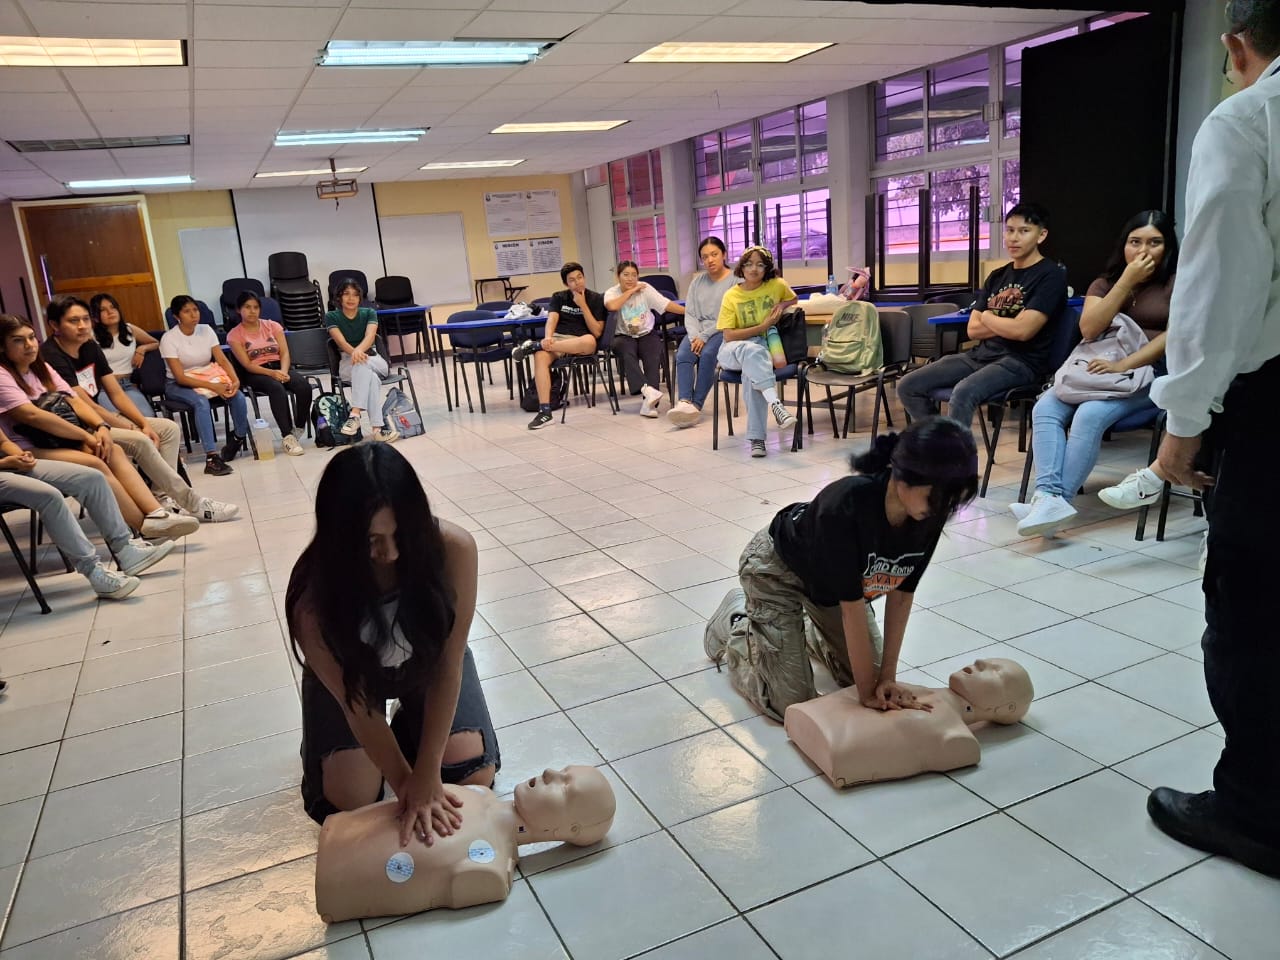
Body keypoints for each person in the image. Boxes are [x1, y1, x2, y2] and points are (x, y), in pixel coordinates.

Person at [1142, 0, 1280, 880]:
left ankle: (1258, 814)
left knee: (1255, 609)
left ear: (1235, 45)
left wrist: (1181, 429)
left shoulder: (1248, 117)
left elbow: (1218, 285)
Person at [286, 443, 500, 833]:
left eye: (402, 533)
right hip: (353, 682)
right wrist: (406, 783)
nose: (391, 553)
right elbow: (357, 704)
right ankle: (346, 746)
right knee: (350, 798)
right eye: (371, 540)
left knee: (471, 776)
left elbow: (449, 665)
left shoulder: (454, 550)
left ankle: (408, 728)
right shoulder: (312, 596)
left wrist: (429, 773)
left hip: (427, 666)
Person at [704, 417, 979, 721]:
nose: (944, 508)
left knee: (871, 679)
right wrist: (865, 695)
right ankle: (738, 623)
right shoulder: (846, 506)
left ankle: (796, 628)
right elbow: (852, 611)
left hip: (829, 588)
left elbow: (901, 597)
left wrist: (887, 676)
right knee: (791, 704)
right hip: (777, 571)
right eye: (938, 496)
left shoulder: (929, 513)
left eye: (953, 501)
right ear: (904, 478)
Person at [1014, 211, 1179, 537]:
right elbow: (1089, 329)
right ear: (1124, 246)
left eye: (1154, 242)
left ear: (1168, 248)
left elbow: (1174, 335)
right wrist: (1126, 281)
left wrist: (1125, 365)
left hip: (1148, 373)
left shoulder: (1177, 283)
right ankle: (1047, 497)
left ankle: (1055, 501)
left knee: (1089, 414)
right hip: (1096, 367)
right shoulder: (1104, 283)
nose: (1143, 250)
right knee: (1045, 407)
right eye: (1135, 242)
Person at [314, 765, 614, 921]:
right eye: (562, 771)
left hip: (335, 882)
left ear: (570, 828)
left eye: (565, 787)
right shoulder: (481, 794)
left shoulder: (490, 871)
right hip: (345, 829)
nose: (550, 773)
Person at [41, 295, 238, 525]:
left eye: (85, 319)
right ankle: (193, 503)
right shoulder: (52, 356)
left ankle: (159, 496)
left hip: (97, 419)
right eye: (74, 321)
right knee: (141, 440)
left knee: (169, 429)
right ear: (55, 325)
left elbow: (115, 393)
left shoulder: (89, 347)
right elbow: (86, 404)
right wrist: (133, 427)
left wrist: (143, 423)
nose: (83, 326)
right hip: (75, 426)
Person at [0, 314, 193, 540]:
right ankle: (145, 528)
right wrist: (87, 436)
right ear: (2, 347)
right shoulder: (3, 375)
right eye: (18, 340)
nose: (29, 345)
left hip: (62, 437)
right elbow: (34, 416)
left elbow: (74, 401)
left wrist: (100, 427)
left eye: (31, 337)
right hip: (29, 446)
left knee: (114, 449)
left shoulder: (40, 366)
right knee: (96, 461)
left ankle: (156, 514)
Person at [897, 203, 1068, 434]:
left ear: (1041, 235)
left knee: (963, 392)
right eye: (1009, 230)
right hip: (979, 356)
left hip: (1022, 362)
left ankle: (956, 464)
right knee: (908, 385)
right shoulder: (998, 276)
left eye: (1024, 231)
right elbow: (973, 330)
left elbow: (1023, 332)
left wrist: (988, 316)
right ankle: (941, 443)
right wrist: (1007, 322)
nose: (1014, 238)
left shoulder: (1051, 275)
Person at [784, 658, 1033, 788]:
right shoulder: (922, 691)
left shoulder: (960, 741)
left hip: (833, 747)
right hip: (811, 719)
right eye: (986, 661)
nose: (978, 663)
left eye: (996, 672)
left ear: (1005, 708)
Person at [0, 424, 173, 600]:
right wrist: (4, 463)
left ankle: (125, 549)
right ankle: (93, 571)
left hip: (9, 464)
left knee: (92, 477)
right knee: (48, 496)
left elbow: (3, 441)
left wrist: (19, 455)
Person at [713, 245, 799, 457]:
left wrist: (781, 306)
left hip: (760, 351)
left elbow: (793, 298)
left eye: (760, 265)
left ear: (767, 268)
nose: (754, 269)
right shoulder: (731, 295)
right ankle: (775, 404)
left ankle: (757, 441)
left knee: (752, 375)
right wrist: (762, 327)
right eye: (749, 264)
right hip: (732, 349)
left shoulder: (777, 285)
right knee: (752, 353)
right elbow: (728, 335)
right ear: (741, 268)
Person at [159, 295, 250, 476]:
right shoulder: (169, 338)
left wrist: (234, 380)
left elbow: (222, 359)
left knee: (237, 395)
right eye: (187, 311)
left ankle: (238, 438)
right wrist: (213, 387)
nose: (193, 314)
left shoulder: (206, 330)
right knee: (201, 402)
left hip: (208, 374)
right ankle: (211, 457)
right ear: (177, 316)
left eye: (195, 310)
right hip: (179, 383)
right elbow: (179, 377)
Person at [511, 262, 606, 431]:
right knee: (540, 355)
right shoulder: (559, 297)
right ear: (566, 284)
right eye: (572, 280)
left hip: (580, 342)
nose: (578, 282)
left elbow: (597, 332)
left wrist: (583, 305)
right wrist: (547, 337)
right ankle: (545, 412)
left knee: (590, 341)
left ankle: (535, 345)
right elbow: (552, 319)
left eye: (580, 277)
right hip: (557, 341)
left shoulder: (596, 299)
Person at [227, 291, 312, 456]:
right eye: (247, 307)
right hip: (256, 372)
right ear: (238, 310)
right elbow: (247, 364)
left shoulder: (272, 326)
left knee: (303, 386)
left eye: (256, 307)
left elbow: (285, 353)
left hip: (280, 366)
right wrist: (273, 374)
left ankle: (298, 428)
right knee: (276, 389)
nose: (252, 311)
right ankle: (287, 436)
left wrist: (284, 371)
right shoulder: (234, 335)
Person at [668, 237, 737, 428]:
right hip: (697, 332)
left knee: (707, 355)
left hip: (722, 330)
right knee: (683, 354)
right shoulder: (697, 282)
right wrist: (694, 336)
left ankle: (695, 406)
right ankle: (684, 402)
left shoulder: (735, 281)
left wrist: (704, 336)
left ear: (724, 254)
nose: (710, 260)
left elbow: (729, 317)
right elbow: (689, 313)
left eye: (714, 254)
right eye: (705, 257)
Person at [602, 261, 684, 417]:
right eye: (626, 275)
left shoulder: (645, 288)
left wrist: (688, 312)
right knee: (625, 351)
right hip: (623, 336)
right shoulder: (612, 292)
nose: (630, 278)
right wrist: (630, 292)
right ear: (618, 276)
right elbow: (612, 306)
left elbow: (665, 304)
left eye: (634, 275)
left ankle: (649, 404)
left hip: (646, 333)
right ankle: (648, 391)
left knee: (652, 354)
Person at [325, 279, 399, 444]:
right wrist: (355, 353)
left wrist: (358, 352)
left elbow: (370, 336)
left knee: (362, 363)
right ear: (339, 297)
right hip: (347, 362)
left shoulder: (369, 312)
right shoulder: (331, 316)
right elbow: (341, 343)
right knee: (370, 378)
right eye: (346, 294)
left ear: (360, 298)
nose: (351, 298)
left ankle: (355, 414)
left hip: (374, 359)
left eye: (355, 295)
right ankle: (378, 430)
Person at [89, 293, 158, 416]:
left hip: (128, 385)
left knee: (148, 418)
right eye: (103, 310)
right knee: (121, 421)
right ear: (95, 317)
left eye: (113, 307)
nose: (110, 312)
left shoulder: (130, 329)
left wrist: (142, 349)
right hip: (105, 388)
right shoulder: (90, 336)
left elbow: (155, 342)